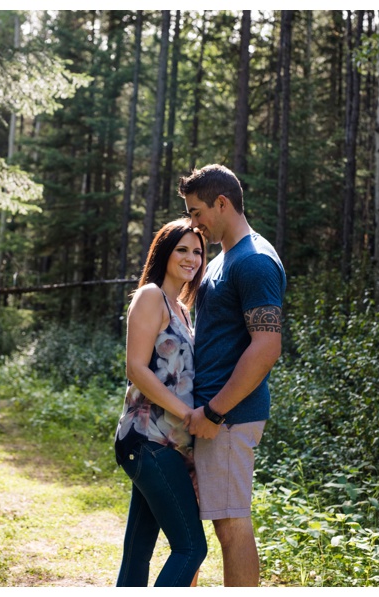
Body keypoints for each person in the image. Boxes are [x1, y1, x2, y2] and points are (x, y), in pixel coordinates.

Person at [178, 164, 286, 587]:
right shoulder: (226, 258)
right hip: (205, 414)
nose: (194, 223)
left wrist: (215, 412)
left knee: (230, 523)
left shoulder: (255, 261)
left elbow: (266, 347)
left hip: (228, 417)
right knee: (191, 529)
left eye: (197, 211)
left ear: (222, 203)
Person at [114, 218, 208, 587]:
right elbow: (136, 368)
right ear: (164, 252)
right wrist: (188, 414)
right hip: (148, 440)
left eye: (198, 251)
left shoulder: (182, 309)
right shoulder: (151, 296)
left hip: (169, 444)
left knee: (139, 550)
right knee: (190, 549)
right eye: (182, 249)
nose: (191, 258)